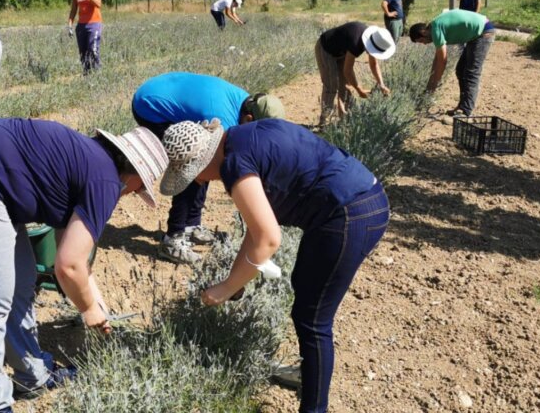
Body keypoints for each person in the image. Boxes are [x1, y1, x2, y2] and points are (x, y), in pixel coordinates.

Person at [0, 118, 167, 413]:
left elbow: (69, 251)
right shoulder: (106, 181)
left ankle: (32, 376)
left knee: (19, 282)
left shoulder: (92, 162)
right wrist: (89, 309)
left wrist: (95, 300)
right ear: (133, 176)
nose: (130, 194)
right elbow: (68, 266)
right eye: (138, 189)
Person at [159, 118, 389, 413]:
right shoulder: (245, 137)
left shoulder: (234, 165)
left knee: (313, 319)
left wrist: (225, 289)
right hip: (362, 201)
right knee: (305, 296)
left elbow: (268, 239)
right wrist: (235, 281)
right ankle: (310, 379)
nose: (199, 181)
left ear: (203, 160)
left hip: (348, 213)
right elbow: (258, 231)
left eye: (193, 175)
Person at [131, 72, 286, 263]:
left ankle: (191, 225)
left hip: (164, 89)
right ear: (248, 118)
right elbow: (216, 168)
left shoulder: (251, 102)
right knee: (194, 166)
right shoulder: (224, 119)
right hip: (150, 106)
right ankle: (173, 239)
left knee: (207, 159)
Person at [409, 9, 495, 117]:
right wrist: (430, 83)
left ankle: (465, 111)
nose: (424, 44)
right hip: (475, 34)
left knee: (471, 73)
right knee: (460, 70)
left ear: (423, 32)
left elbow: (443, 61)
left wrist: (434, 84)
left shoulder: (435, 29)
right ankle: (462, 106)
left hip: (483, 32)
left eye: (421, 41)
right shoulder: (434, 27)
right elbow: (437, 60)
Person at [315, 22, 396, 126]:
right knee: (331, 85)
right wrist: (359, 89)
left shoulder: (372, 39)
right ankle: (324, 123)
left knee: (344, 86)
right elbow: (347, 71)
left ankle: (346, 119)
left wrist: (381, 84)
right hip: (325, 48)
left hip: (341, 50)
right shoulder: (356, 42)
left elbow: (374, 64)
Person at [66, 0, 103, 75]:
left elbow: (98, 4)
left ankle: (98, 74)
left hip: (94, 23)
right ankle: (87, 75)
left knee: (93, 50)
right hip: (81, 25)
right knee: (83, 52)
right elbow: (73, 9)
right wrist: (70, 24)